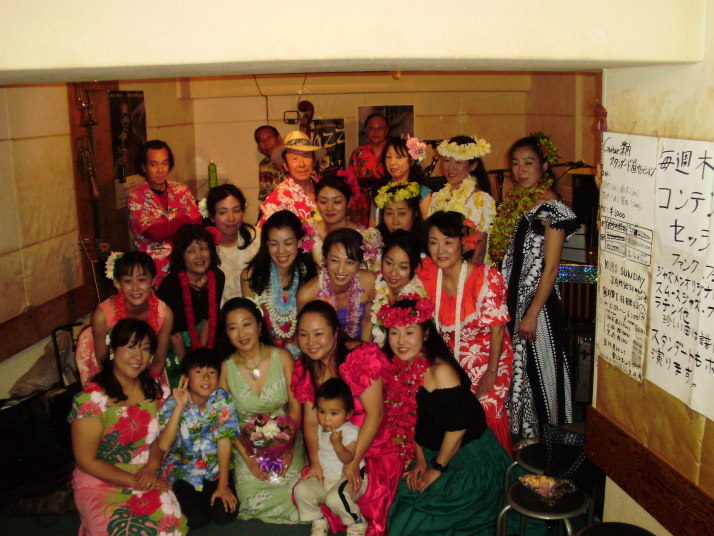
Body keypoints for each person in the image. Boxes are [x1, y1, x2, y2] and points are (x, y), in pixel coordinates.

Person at [379, 299, 513, 536]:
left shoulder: (440, 372)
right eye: (394, 333)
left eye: (409, 332)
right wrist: (420, 460)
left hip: (469, 455)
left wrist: (437, 467)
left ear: (425, 335)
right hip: (435, 451)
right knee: (400, 504)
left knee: (416, 520)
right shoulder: (400, 367)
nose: (401, 341)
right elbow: (410, 419)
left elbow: (458, 428)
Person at [493, 135, 579, 444]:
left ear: (544, 166)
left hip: (537, 305)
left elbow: (551, 267)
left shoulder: (552, 208)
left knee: (540, 371)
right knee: (518, 371)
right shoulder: (517, 202)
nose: (520, 170)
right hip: (511, 301)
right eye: (515, 164)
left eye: (528, 163)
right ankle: (521, 442)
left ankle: (547, 445)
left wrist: (531, 313)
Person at [291, 300, 402, 536]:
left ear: (335, 332)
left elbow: (375, 414)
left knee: (352, 494)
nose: (310, 342)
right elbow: (310, 421)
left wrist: (353, 461)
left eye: (318, 334)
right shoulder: (307, 367)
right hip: (331, 448)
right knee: (308, 488)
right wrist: (316, 463)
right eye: (303, 335)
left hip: (371, 444)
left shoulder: (360, 357)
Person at [70, 318, 188, 535]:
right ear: (113, 350)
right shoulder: (90, 401)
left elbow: (161, 437)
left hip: (146, 470)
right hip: (100, 482)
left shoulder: (155, 389)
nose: (138, 356)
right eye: (131, 347)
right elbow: (86, 462)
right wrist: (136, 481)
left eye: (145, 349)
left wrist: (152, 467)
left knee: (168, 527)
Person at [417, 211, 514, 453]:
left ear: (463, 243)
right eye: (434, 242)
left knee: (484, 410)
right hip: (449, 361)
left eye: (448, 242)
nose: (440, 250)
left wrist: (491, 373)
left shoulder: (485, 278)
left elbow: (498, 330)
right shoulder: (428, 274)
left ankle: (494, 466)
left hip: (490, 358)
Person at [218, 297, 305, 524]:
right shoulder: (225, 368)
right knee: (249, 497)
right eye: (233, 328)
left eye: (246, 324)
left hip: (287, 436)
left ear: (258, 325)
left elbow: (295, 407)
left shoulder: (282, 357)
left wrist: (287, 447)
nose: (241, 334)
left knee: (296, 492)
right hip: (246, 445)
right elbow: (226, 421)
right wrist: (247, 458)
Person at [158, 348, 239, 529]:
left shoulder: (222, 399)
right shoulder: (172, 404)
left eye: (212, 372)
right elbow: (163, 445)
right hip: (184, 474)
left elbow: (224, 440)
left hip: (215, 471)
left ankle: (214, 493)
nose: (206, 378)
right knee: (195, 519)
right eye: (199, 372)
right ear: (185, 378)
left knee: (224, 515)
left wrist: (223, 485)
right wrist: (179, 407)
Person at [77, 251, 173, 385]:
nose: (135, 288)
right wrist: (124, 389)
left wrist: (145, 387)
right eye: (128, 281)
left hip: (148, 375)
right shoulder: (101, 316)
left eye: (142, 280)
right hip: (111, 377)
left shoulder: (164, 314)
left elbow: (158, 360)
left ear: (153, 280)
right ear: (118, 283)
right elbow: (103, 362)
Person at [293, 378, 368, 536]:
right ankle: (318, 520)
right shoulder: (319, 430)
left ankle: (357, 522)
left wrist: (338, 445)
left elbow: (348, 459)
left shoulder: (349, 431)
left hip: (349, 479)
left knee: (335, 498)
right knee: (300, 490)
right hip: (327, 480)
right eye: (322, 412)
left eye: (334, 413)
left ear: (348, 413)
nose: (326, 418)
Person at [241, 210, 317, 358]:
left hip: (308, 355)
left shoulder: (312, 276)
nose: (281, 251)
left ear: (299, 242)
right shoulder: (251, 277)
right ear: (267, 244)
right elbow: (250, 326)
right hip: (266, 358)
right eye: (274, 244)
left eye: (288, 243)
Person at [157, 224, 225, 386]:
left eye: (203, 248)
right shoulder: (171, 285)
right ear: (181, 255)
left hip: (203, 335)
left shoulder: (217, 276)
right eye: (191, 251)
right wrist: (189, 368)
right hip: (173, 341)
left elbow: (209, 318)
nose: (199, 256)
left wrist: (202, 357)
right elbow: (174, 334)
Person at [128, 139, 201, 285]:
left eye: (164, 163)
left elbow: (197, 224)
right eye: (153, 164)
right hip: (154, 270)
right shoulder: (136, 196)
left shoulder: (181, 190)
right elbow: (153, 232)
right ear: (143, 167)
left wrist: (172, 226)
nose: (160, 170)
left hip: (186, 264)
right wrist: (183, 221)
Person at [297, 229, 376, 343]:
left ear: (360, 262)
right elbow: (304, 337)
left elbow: (367, 321)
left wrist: (364, 352)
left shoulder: (369, 282)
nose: (341, 270)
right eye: (335, 260)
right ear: (325, 258)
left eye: (349, 262)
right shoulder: (307, 295)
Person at [429, 135, 495, 264]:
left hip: (469, 270)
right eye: (447, 160)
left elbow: (479, 252)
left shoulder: (481, 200)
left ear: (473, 165)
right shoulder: (438, 197)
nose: (451, 167)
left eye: (458, 162)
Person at [204, 184, 260, 304]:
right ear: (212, 216)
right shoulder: (203, 249)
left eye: (236, 210)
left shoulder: (258, 238)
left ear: (243, 212)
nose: (231, 218)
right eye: (223, 212)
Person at [258, 130, 326, 227]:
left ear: (314, 161)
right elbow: (265, 231)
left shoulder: (325, 185)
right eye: (295, 158)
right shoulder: (278, 199)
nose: (302, 164)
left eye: (306, 156)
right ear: (286, 165)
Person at [371, 231, 426, 344]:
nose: (393, 273)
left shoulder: (420, 301)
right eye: (389, 263)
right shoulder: (372, 287)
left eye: (403, 267)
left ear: (415, 268)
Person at [304, 169, 366, 265]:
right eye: (323, 202)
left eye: (337, 202)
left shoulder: (365, 238)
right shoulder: (309, 231)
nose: (330, 208)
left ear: (349, 202)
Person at [370, 137, 431, 226]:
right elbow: (372, 228)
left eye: (399, 157)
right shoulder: (378, 190)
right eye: (388, 157)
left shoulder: (422, 193)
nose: (392, 162)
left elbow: (427, 229)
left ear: (411, 161)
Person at [348, 112, 388, 180]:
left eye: (380, 128)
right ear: (366, 131)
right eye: (371, 128)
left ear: (386, 130)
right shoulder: (358, 154)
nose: (376, 132)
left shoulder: (394, 151)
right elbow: (350, 180)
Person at [255, 125, 286, 203]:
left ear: (279, 139)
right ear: (259, 148)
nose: (266, 143)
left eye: (269, 137)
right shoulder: (264, 166)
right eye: (261, 140)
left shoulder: (294, 159)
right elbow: (265, 199)